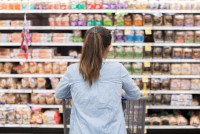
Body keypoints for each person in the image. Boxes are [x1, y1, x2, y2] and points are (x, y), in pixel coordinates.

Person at [55, 26, 140, 134]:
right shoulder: (118, 69)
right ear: (108, 47)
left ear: (85, 45)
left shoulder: (72, 70)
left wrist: (76, 92)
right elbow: (135, 94)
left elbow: (59, 94)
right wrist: (120, 93)